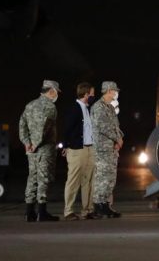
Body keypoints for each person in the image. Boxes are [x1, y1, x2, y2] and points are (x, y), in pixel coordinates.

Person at [19, 79, 60, 222]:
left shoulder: (29, 105)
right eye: (56, 92)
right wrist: (35, 144)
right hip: (44, 148)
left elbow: (22, 125)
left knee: (32, 177)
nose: (56, 95)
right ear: (50, 91)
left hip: (31, 150)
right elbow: (44, 127)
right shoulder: (50, 107)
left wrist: (27, 143)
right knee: (44, 178)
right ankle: (42, 212)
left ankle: (29, 212)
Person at [62, 82, 97, 221]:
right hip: (77, 149)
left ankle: (87, 209)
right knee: (73, 180)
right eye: (92, 94)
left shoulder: (89, 109)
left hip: (90, 148)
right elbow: (67, 129)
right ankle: (68, 210)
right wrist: (66, 145)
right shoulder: (74, 109)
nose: (94, 96)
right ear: (86, 94)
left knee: (88, 181)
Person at [91, 81, 123, 218]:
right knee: (102, 177)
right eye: (115, 91)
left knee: (110, 177)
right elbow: (102, 126)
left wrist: (120, 138)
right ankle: (98, 205)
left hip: (111, 147)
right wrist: (116, 138)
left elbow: (116, 126)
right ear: (109, 90)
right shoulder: (98, 107)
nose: (116, 93)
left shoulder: (109, 107)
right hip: (103, 148)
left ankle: (105, 204)